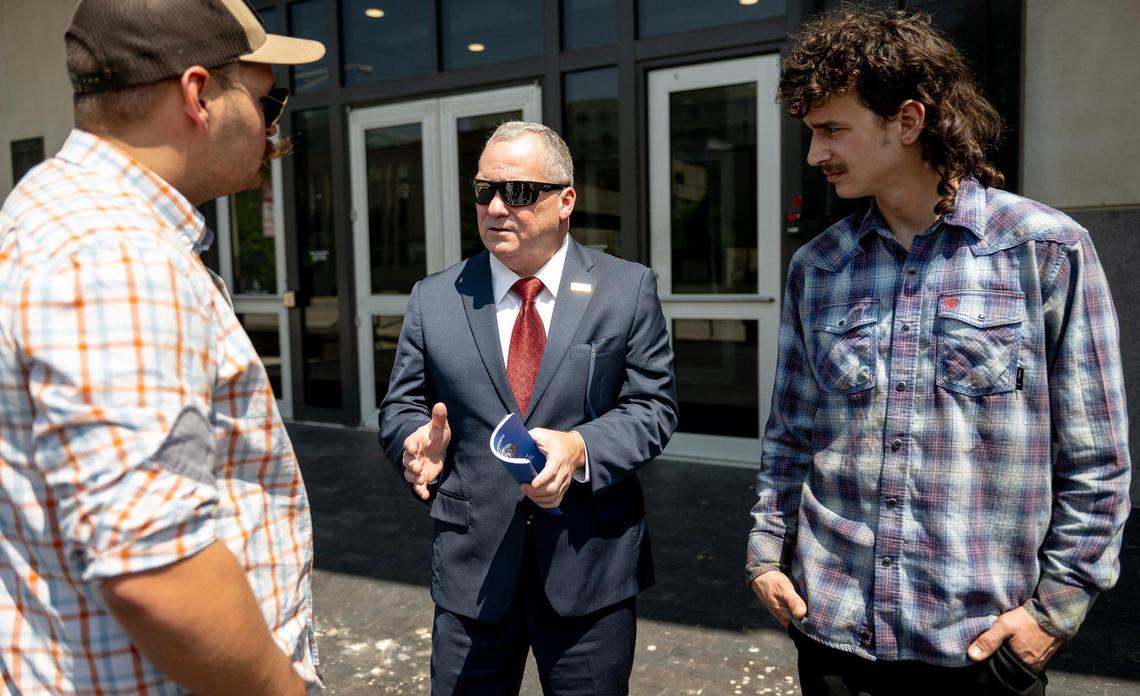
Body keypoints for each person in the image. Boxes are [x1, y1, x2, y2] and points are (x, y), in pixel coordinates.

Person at [746, 6, 1131, 695]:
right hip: (834, 630)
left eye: (832, 129)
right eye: (811, 132)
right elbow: (790, 435)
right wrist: (767, 557)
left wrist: (1055, 612)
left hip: (979, 645)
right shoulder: (820, 267)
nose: (814, 155)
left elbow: (1096, 457)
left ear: (908, 120)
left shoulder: (1044, 250)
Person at [0, 1, 325, 694]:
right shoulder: (115, 254)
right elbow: (157, 569)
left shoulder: (52, 211)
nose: (272, 127)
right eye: (267, 102)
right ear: (197, 94)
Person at [378, 121, 678, 694]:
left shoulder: (627, 289)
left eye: (516, 192)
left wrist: (580, 447)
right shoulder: (434, 298)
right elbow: (402, 407)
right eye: (484, 190)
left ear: (565, 200)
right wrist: (413, 442)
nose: (495, 207)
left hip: (590, 568)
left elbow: (653, 407)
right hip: (473, 570)